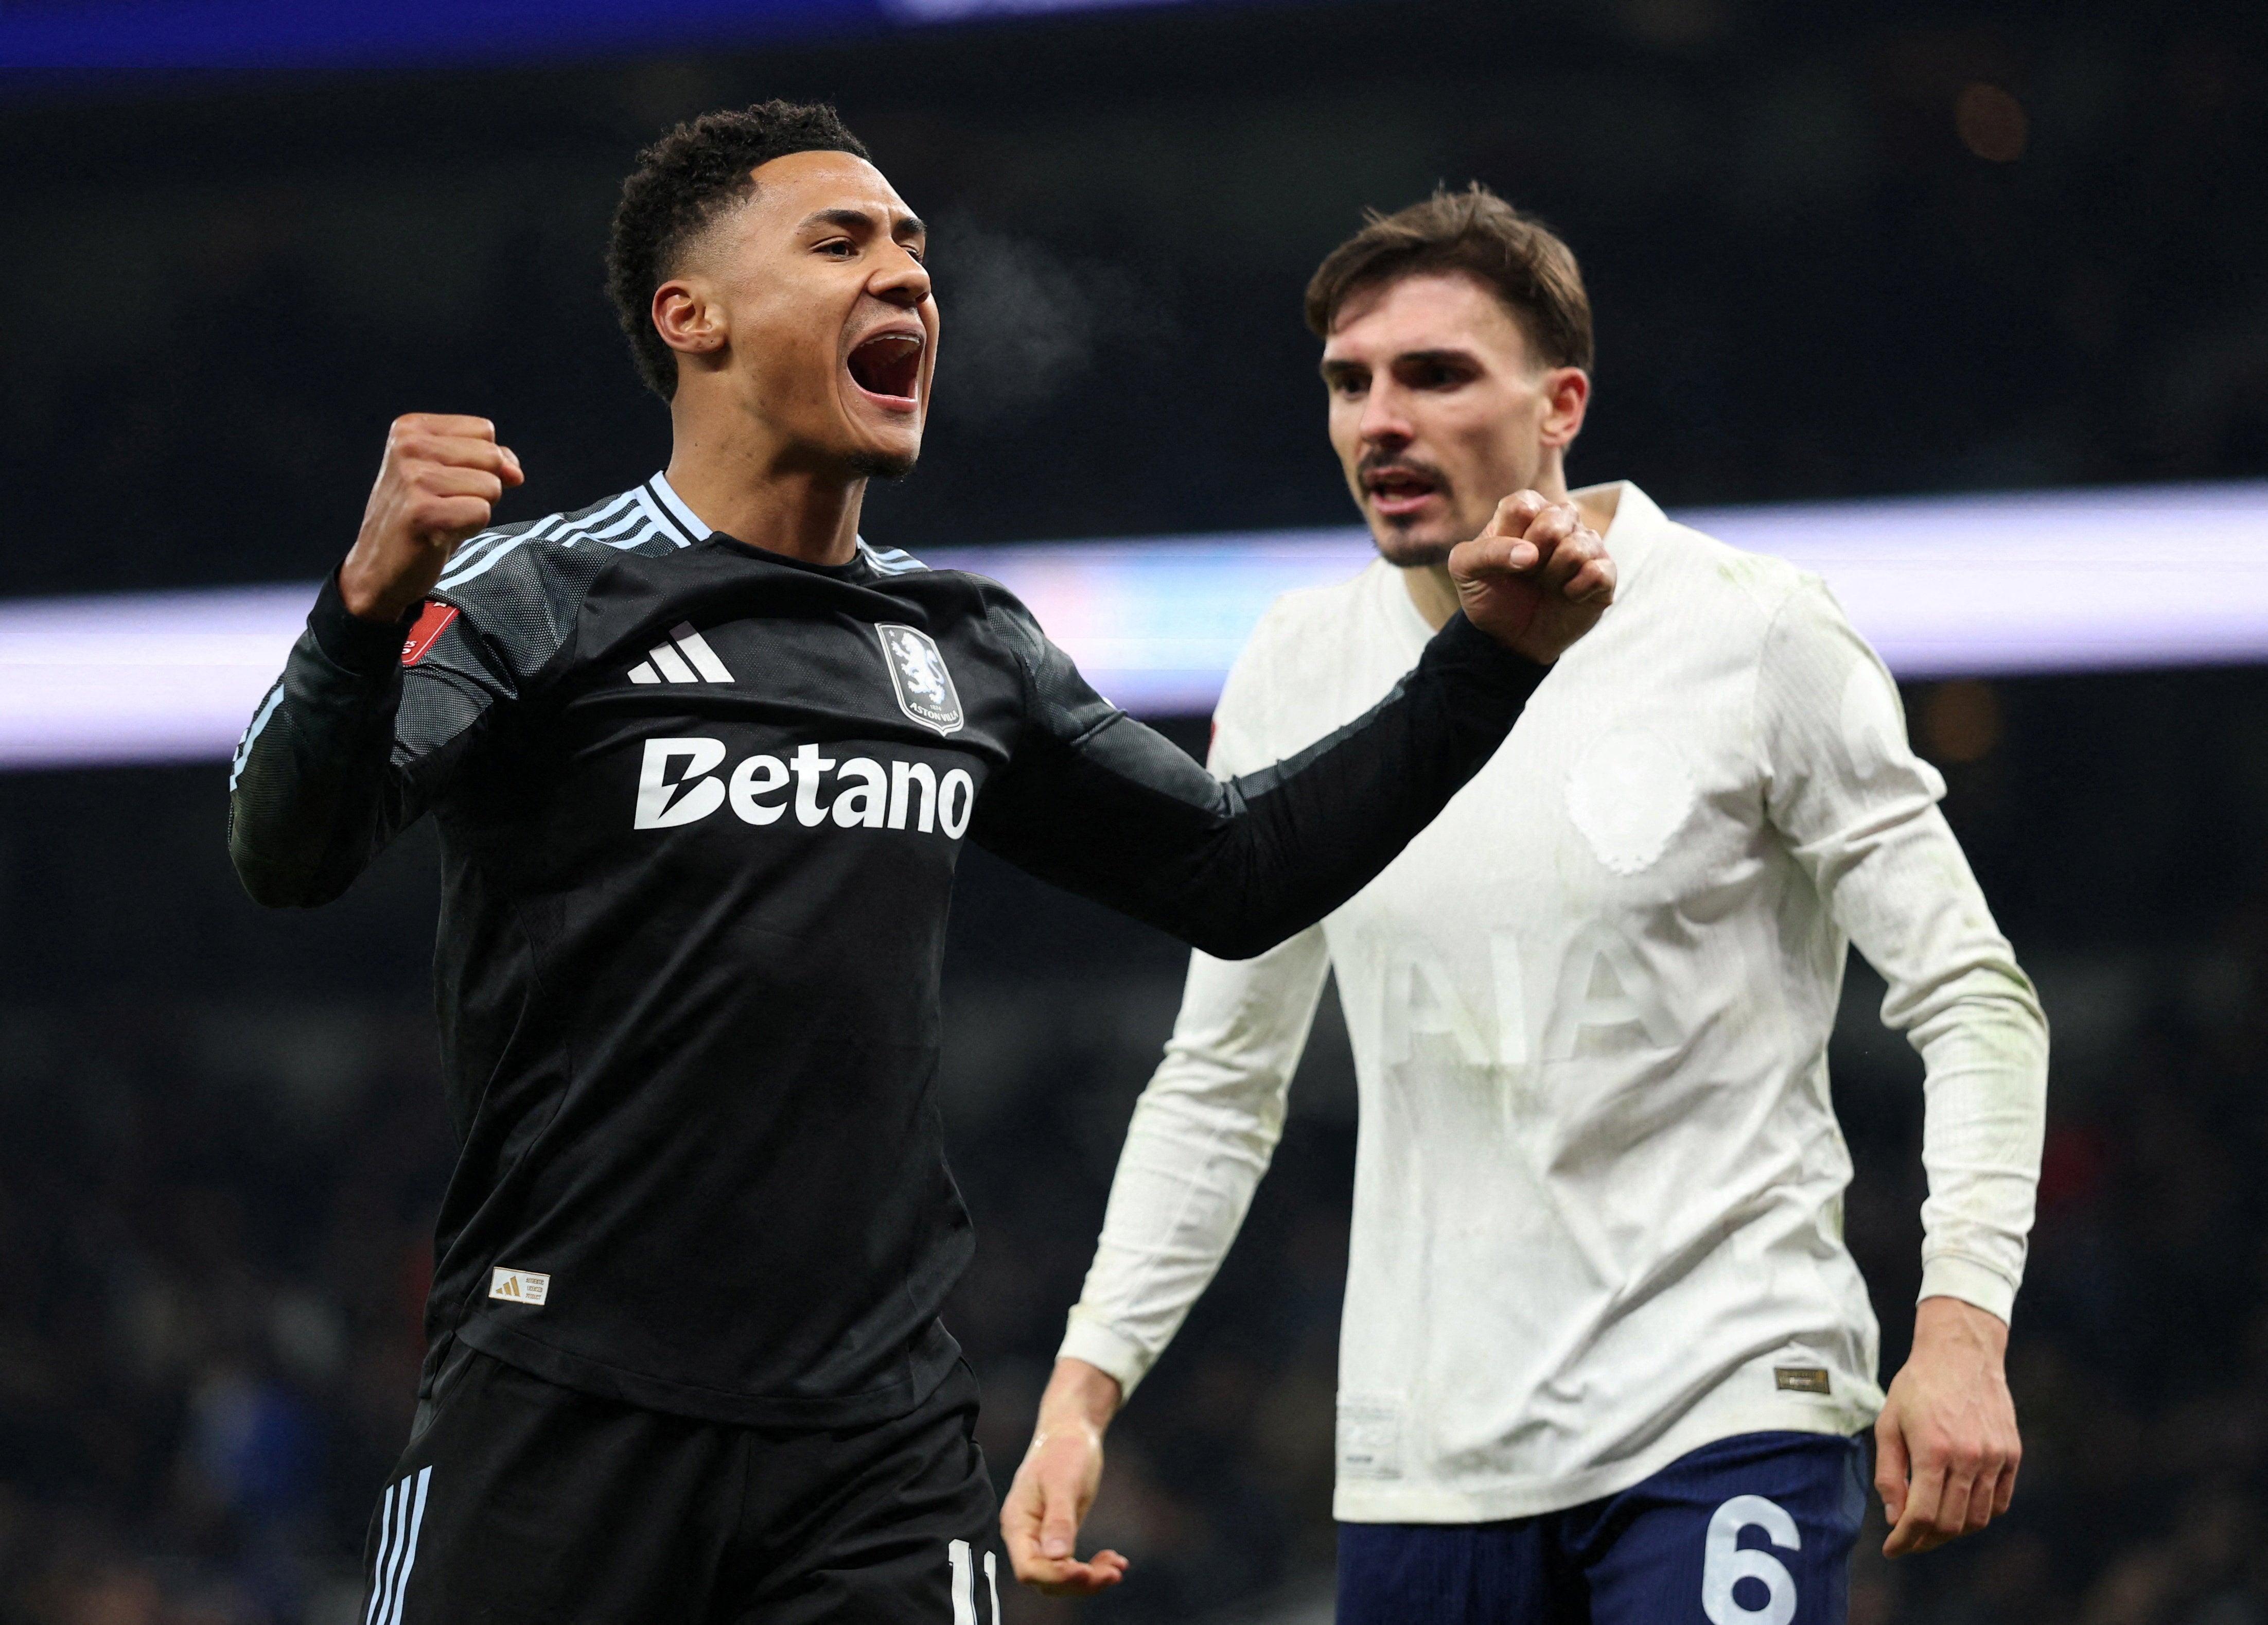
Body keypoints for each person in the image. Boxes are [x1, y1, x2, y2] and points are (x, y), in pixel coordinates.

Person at [226, 110, 1615, 1623]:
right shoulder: (544, 593)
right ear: (691, 317)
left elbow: (1242, 869)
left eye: (915, 252)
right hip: (564, 1402)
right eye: (843, 244)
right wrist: (362, 616)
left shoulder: (962, 645)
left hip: (873, 1443)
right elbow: (292, 849)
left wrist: (1484, 666)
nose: (906, 276)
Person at [1007, 185, 2048, 1622]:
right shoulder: (1300, 663)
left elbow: (1975, 998)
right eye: (1349, 383)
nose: (1380, 419)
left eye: (1435, 374)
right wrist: (1084, 1387)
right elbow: (1221, 1079)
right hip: (1427, 1457)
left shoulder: (1753, 631)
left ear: (1562, 402)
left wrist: (1962, 1331)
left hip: (1728, 1396)